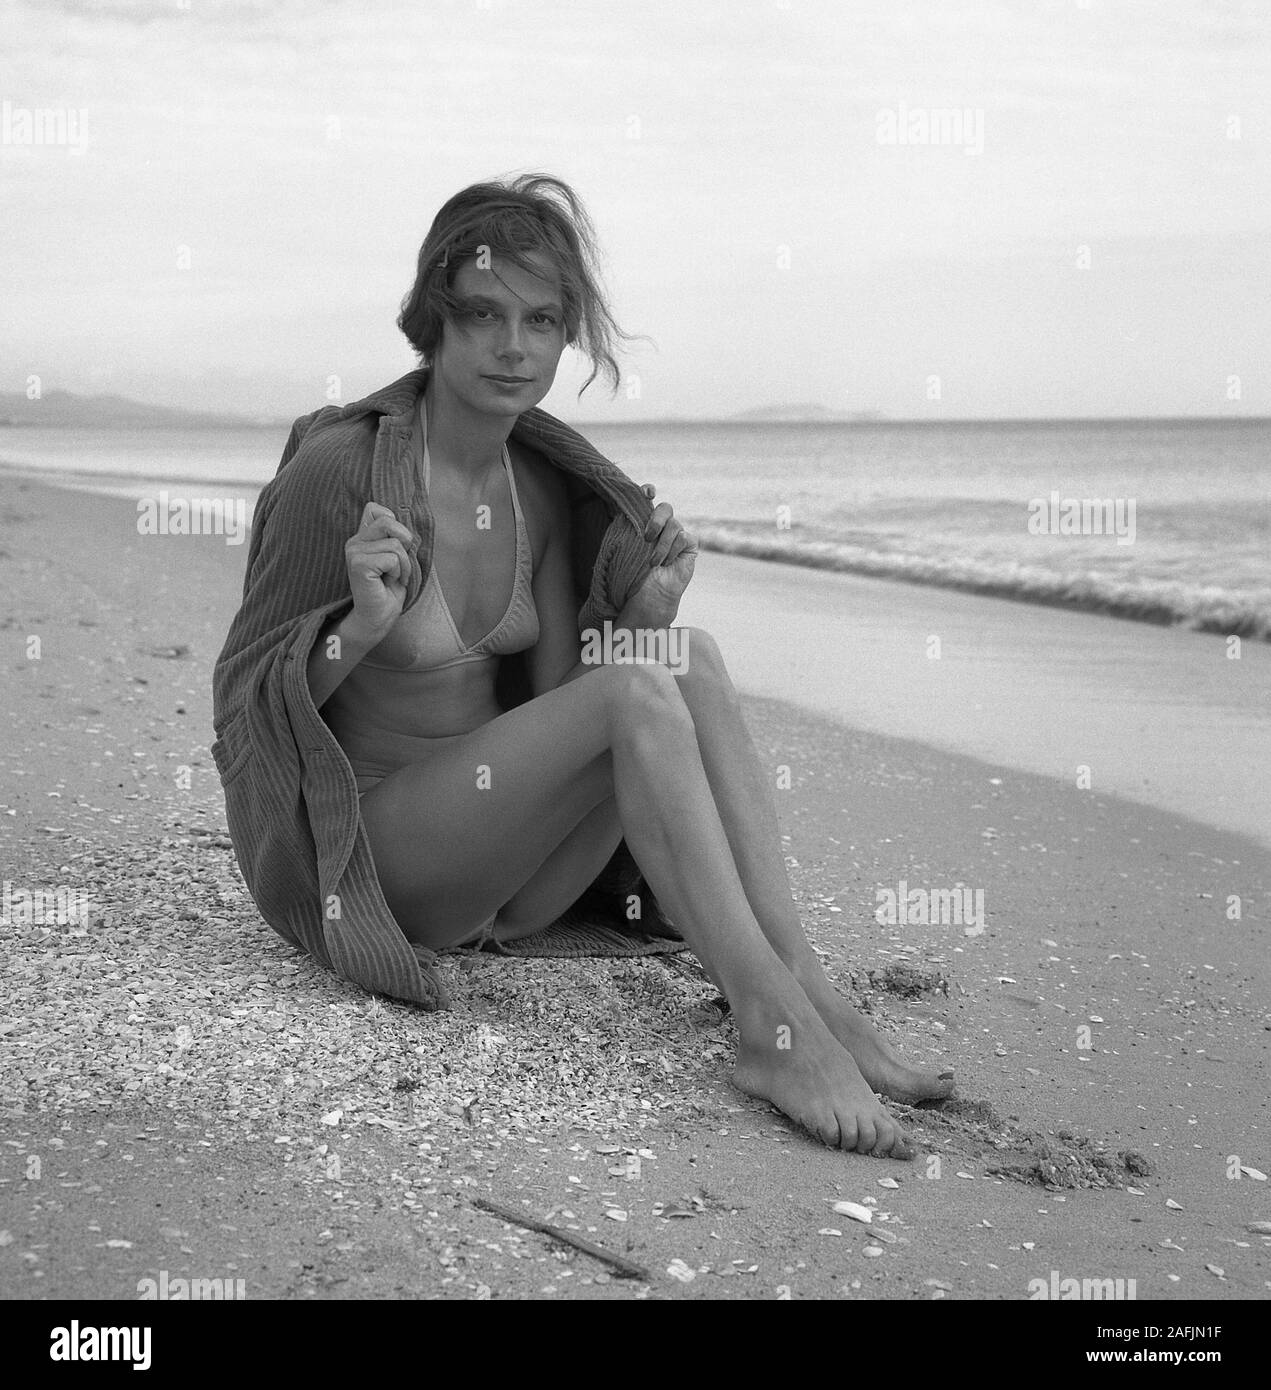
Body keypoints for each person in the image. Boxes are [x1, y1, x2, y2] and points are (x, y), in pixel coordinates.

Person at [233, 174, 953, 1157]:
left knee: (681, 653)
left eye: (540, 319)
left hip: (512, 880)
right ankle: (768, 1028)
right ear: (431, 319)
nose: (512, 344)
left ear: (567, 335)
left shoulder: (536, 483)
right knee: (634, 687)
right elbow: (252, 705)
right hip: (390, 864)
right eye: (481, 313)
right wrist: (357, 626)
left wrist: (645, 615)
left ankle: (798, 976)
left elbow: (565, 697)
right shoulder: (344, 476)